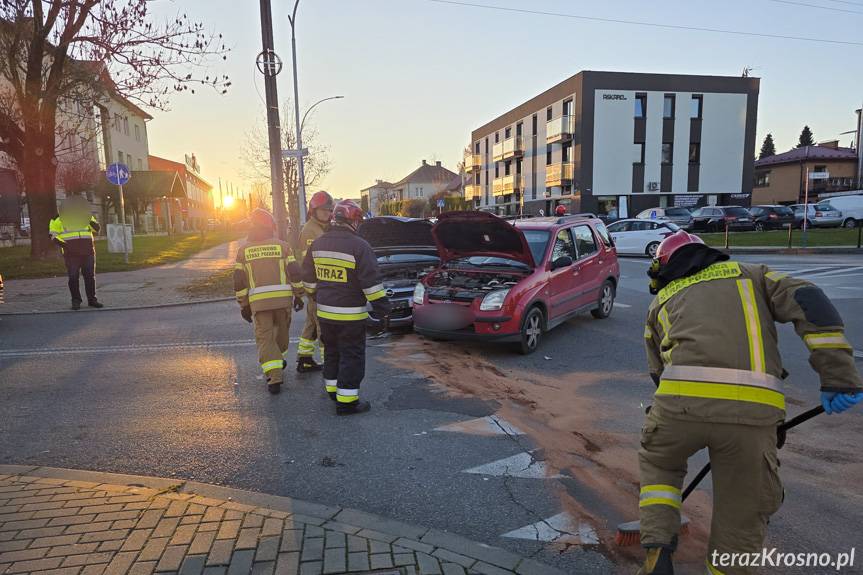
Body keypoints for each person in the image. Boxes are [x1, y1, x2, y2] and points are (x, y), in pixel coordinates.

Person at [637, 230, 862, 575]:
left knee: (660, 467)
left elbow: (657, 371)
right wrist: (838, 376)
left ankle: (657, 553)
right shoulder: (753, 275)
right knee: (742, 508)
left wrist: (681, 413)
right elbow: (808, 299)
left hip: (678, 409)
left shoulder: (661, 301)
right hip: (751, 415)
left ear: (667, 268)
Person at [302, 199, 391, 415]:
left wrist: (316, 295)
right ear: (353, 221)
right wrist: (382, 310)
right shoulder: (360, 246)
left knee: (332, 352)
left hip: (325, 313)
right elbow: (371, 284)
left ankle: (333, 391)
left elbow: (308, 280)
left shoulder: (318, 244)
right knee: (351, 356)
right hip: (350, 316)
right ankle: (347, 402)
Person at [234, 208, 305, 394]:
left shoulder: (243, 251)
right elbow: (295, 272)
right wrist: (299, 295)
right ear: (270, 226)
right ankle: (278, 363)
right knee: (281, 336)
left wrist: (243, 305)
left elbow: (239, 281)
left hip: (259, 304)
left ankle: (274, 377)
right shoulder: (283, 247)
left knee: (265, 339)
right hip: (283, 302)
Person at [295, 191, 334, 373]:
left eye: (329, 210)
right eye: (323, 210)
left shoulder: (323, 228)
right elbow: (308, 264)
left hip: (321, 286)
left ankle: (305, 358)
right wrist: (314, 290)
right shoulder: (310, 231)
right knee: (324, 327)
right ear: (314, 210)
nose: (327, 213)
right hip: (318, 287)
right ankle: (330, 365)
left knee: (311, 322)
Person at [49, 195, 103, 310]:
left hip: (88, 251)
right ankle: (76, 300)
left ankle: (92, 300)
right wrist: (66, 246)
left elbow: (97, 229)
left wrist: (88, 219)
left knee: (90, 277)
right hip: (71, 254)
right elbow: (53, 236)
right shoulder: (57, 219)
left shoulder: (86, 215)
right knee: (73, 277)